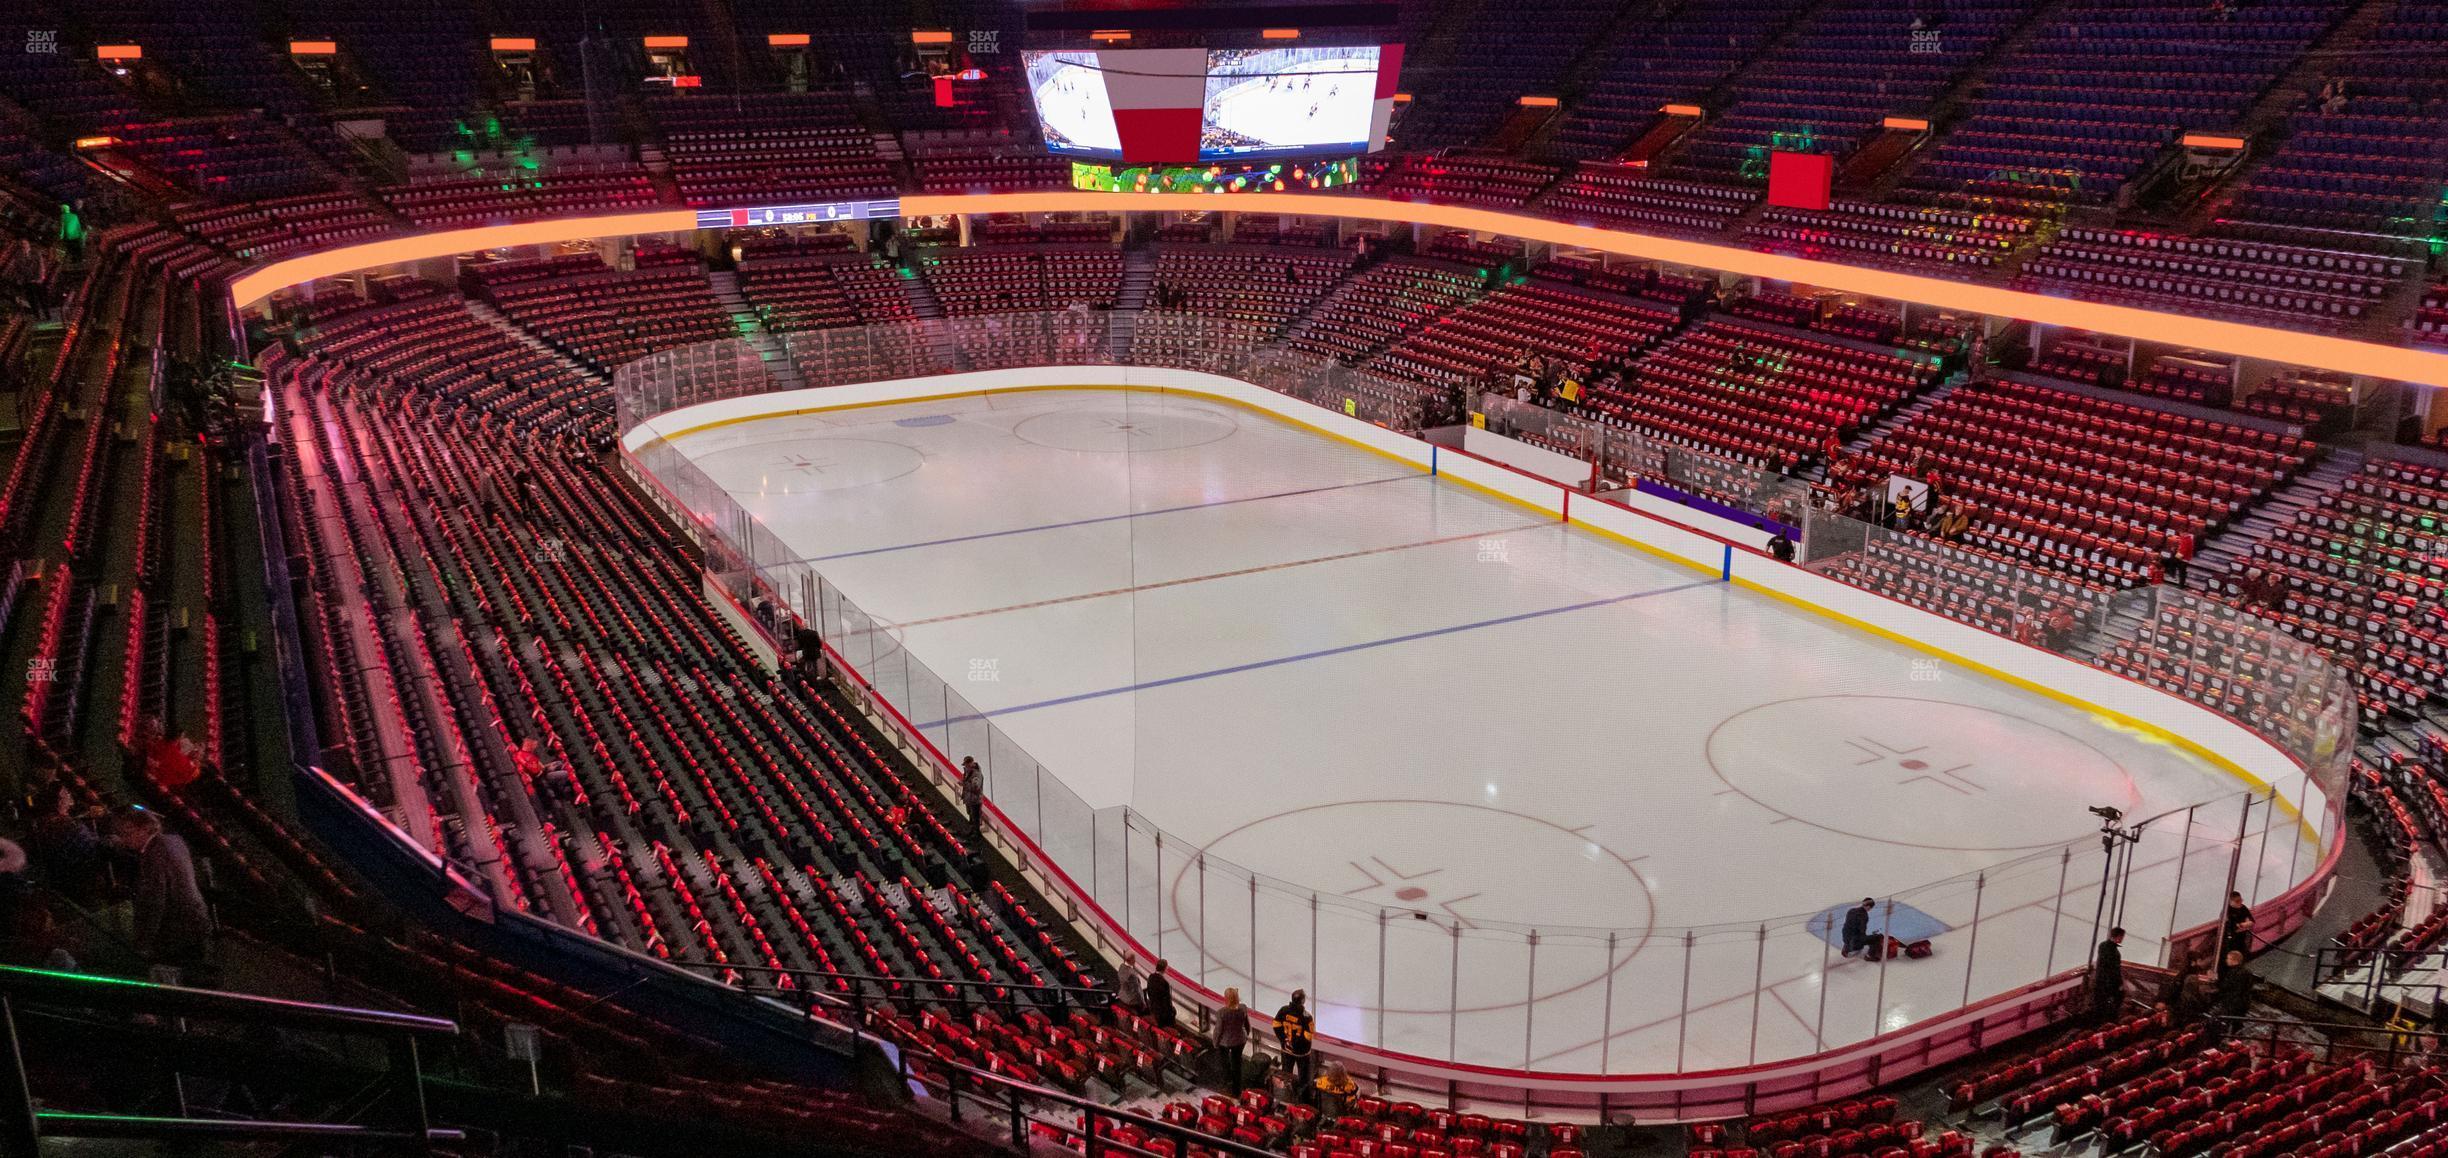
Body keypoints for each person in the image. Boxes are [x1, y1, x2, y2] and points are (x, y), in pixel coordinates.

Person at [106, 807, 213, 979]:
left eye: (128, 833)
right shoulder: (174, 840)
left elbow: (154, 902)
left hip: (176, 934)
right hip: (197, 922)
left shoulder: (153, 856)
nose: (125, 839)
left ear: (145, 829)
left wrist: (143, 943)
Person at [25, 782, 100, 904]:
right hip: (77, 879)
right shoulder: (70, 827)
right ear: (59, 801)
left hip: (58, 877)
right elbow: (94, 847)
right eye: (66, 793)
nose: (69, 795)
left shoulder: (43, 822)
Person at [1274, 989, 1317, 1088]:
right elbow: (1308, 1036)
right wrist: (1296, 1044)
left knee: (1286, 1075)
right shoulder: (1306, 1017)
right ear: (1302, 1001)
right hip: (1302, 1053)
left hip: (1286, 1049)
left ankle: (1287, 1094)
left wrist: (1284, 1039)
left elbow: (1276, 1025)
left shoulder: (1283, 1010)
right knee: (1304, 1078)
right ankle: (1302, 1100)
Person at [1214, 987, 1250, 1093]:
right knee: (1237, 1063)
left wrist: (1215, 1042)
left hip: (1225, 1042)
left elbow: (1218, 1030)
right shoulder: (1243, 1008)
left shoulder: (1222, 1012)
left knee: (1224, 1063)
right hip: (1239, 1040)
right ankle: (1236, 1087)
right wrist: (1246, 1034)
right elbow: (1247, 1025)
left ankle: (1226, 1082)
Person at [2092, 927, 2126, 1019]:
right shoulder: (2113, 951)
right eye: (2122, 936)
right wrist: (2119, 983)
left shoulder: (2104, 946)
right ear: (2118, 936)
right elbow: (2113, 968)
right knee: (2105, 1006)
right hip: (2107, 983)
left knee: (2101, 1005)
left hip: (2103, 982)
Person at [2214, 949, 2253, 1018]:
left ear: (2234, 960)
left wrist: (2215, 979)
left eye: (2228, 958)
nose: (2226, 960)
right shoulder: (2247, 972)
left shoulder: (2233, 972)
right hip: (2243, 1003)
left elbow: (2225, 987)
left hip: (2232, 1003)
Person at [2221, 892, 2255, 960]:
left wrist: (2241, 925)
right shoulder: (2226, 911)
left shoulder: (2243, 908)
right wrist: (2244, 924)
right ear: (2231, 901)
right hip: (2231, 938)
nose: (2240, 903)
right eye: (2237, 901)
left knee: (2243, 953)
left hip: (2242, 936)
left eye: (2241, 900)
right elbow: (2232, 927)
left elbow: (2251, 921)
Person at [1144, 959, 1175, 1030]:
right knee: (1173, 1012)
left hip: (1153, 1007)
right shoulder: (1164, 983)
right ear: (1165, 969)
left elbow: (1149, 992)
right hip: (1161, 1013)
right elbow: (1167, 1002)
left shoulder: (1151, 977)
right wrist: (1172, 1012)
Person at [959, 756, 985, 836]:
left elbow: (976, 788)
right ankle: (972, 831)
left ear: (971, 763)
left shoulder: (976, 774)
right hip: (969, 798)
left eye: (967, 765)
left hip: (974, 800)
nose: (966, 767)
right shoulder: (968, 772)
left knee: (975, 818)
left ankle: (976, 834)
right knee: (971, 815)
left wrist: (964, 784)